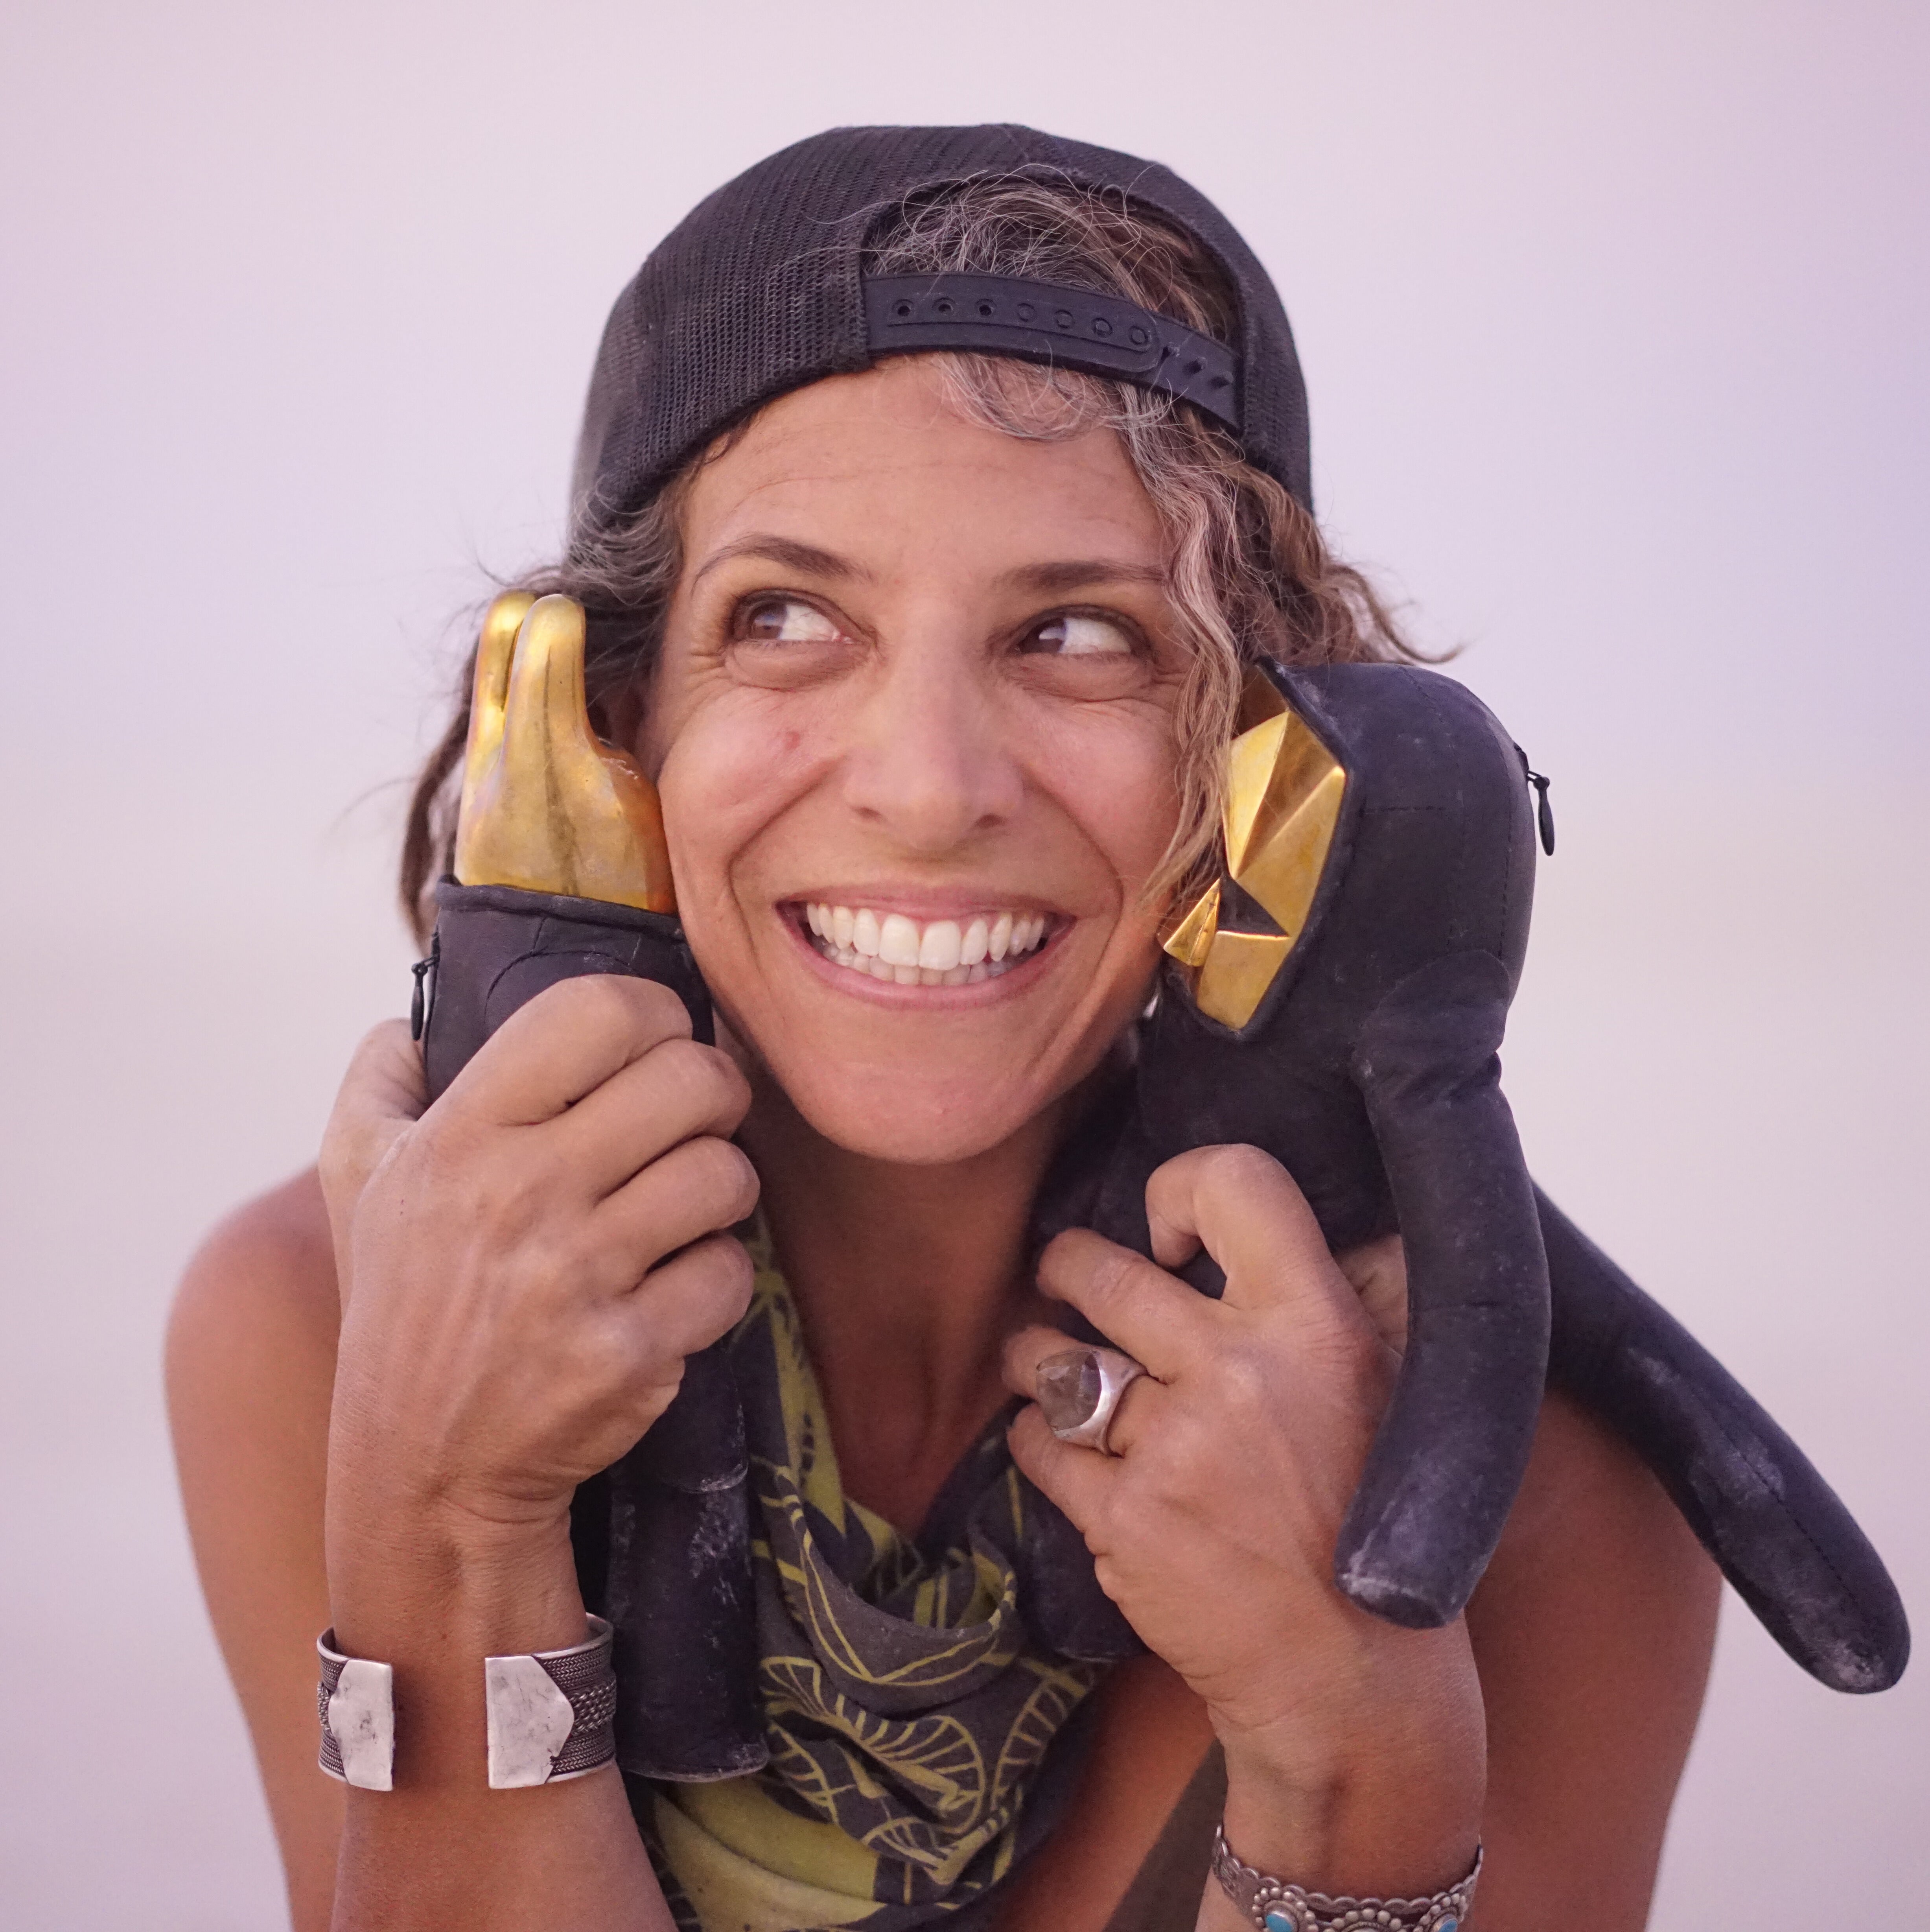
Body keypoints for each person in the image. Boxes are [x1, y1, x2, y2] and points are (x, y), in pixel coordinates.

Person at [166, 126, 1718, 1932]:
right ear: (612, 718)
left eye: (1080, 633)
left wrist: (1357, 1748)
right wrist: (448, 1518)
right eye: (787, 617)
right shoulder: (331, 1321)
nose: (926, 788)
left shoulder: (1522, 1495)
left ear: (1263, 755)